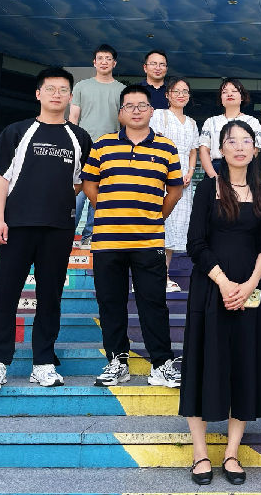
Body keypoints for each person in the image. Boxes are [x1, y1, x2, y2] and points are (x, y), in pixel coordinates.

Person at [0, 67, 92, 392]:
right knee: (5, 296)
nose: (57, 94)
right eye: (50, 88)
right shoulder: (17, 131)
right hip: (16, 227)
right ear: (39, 94)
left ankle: (43, 363)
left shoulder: (80, 138)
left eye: (63, 89)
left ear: (70, 97)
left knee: (50, 297)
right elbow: (1, 179)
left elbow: (80, 183)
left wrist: (56, 201)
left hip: (58, 229)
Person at [181, 120, 261, 487]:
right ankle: (200, 453)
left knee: (244, 367)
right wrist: (223, 283)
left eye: (246, 141)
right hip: (210, 290)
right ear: (221, 149)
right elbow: (195, 242)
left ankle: (232, 453)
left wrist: (250, 284)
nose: (239, 147)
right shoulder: (208, 188)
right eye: (232, 141)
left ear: (255, 149)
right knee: (202, 366)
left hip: (249, 293)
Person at [81, 85, 183, 388]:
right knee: (110, 303)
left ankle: (161, 364)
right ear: (120, 112)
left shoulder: (166, 147)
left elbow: (175, 189)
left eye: (142, 105)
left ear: (151, 111)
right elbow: (89, 184)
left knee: (154, 303)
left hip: (149, 241)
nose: (136, 111)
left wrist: (155, 216)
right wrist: (107, 209)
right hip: (108, 241)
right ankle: (117, 362)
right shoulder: (102, 145)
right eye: (130, 106)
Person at [68, 44, 125, 248]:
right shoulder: (81, 86)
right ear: (94, 62)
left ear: (114, 63)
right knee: (76, 194)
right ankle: (66, 234)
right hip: (83, 149)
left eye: (108, 58)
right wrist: (72, 144)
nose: (104, 62)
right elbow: (73, 117)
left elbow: (124, 122)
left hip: (110, 150)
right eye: (100, 58)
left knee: (99, 195)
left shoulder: (122, 90)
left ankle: (89, 236)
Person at [150, 76, 200, 293]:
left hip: (183, 182)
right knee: (157, 226)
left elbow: (193, 151)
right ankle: (150, 277)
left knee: (172, 230)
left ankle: (164, 275)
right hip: (161, 177)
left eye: (185, 91)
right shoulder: (159, 116)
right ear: (167, 95)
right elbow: (153, 144)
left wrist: (190, 172)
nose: (181, 95)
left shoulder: (192, 123)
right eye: (176, 91)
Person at [199, 78, 261, 178]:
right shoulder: (211, 122)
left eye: (234, 91)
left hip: (243, 168)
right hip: (216, 167)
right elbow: (203, 150)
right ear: (221, 98)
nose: (229, 94)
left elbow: (254, 150)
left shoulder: (252, 121)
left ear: (242, 97)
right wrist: (213, 176)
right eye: (224, 92)